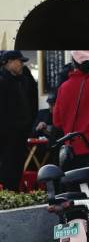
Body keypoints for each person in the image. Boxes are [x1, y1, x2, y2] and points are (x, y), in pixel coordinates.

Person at [0, 51, 38, 191]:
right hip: (6, 136)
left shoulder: (24, 79)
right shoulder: (2, 81)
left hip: (22, 133)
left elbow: (32, 102)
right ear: (8, 62)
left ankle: (14, 192)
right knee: (7, 167)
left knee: (17, 167)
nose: (22, 64)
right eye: (19, 61)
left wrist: (29, 123)